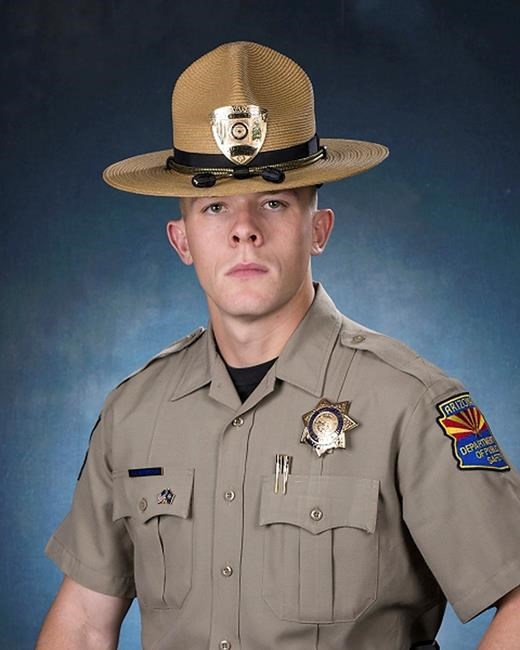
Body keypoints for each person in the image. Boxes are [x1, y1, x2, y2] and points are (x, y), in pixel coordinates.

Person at [36, 41, 520, 650]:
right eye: (215, 206)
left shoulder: (409, 403)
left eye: (273, 201)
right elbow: (83, 624)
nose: (245, 230)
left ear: (318, 229)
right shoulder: (134, 413)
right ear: (181, 240)